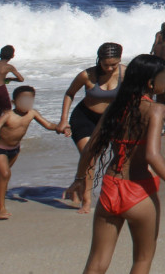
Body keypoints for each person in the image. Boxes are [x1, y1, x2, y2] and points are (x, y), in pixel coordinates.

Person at [66, 54, 165, 274]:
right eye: (164, 76)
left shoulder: (115, 107)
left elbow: (90, 148)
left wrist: (79, 178)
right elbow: (152, 155)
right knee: (142, 260)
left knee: (96, 263)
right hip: (139, 189)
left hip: (110, 187)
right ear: (150, 82)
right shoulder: (156, 109)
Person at [59, 42, 124, 214]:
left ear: (119, 60)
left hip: (111, 119)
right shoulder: (86, 75)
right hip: (85, 118)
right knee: (90, 157)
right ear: (99, 60)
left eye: (113, 64)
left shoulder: (126, 73)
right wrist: (63, 120)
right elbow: (69, 93)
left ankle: (81, 183)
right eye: (105, 64)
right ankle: (86, 201)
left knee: (120, 156)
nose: (109, 68)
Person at [0, 85, 59, 219]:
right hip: (0, 149)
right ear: (14, 102)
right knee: (5, 174)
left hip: (15, 150)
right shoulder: (8, 115)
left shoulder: (32, 113)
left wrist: (61, 128)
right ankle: (1, 208)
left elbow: (48, 125)